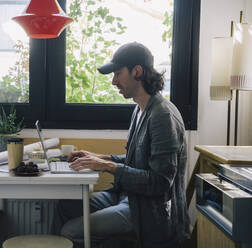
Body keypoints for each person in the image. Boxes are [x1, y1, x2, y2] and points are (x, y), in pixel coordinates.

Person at [56, 42, 190, 248]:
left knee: (70, 232)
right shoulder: (139, 110)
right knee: (65, 204)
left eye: (118, 74)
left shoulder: (162, 116)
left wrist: (107, 166)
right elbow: (135, 162)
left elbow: (159, 182)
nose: (113, 81)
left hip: (149, 210)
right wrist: (98, 157)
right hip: (127, 196)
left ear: (137, 71)